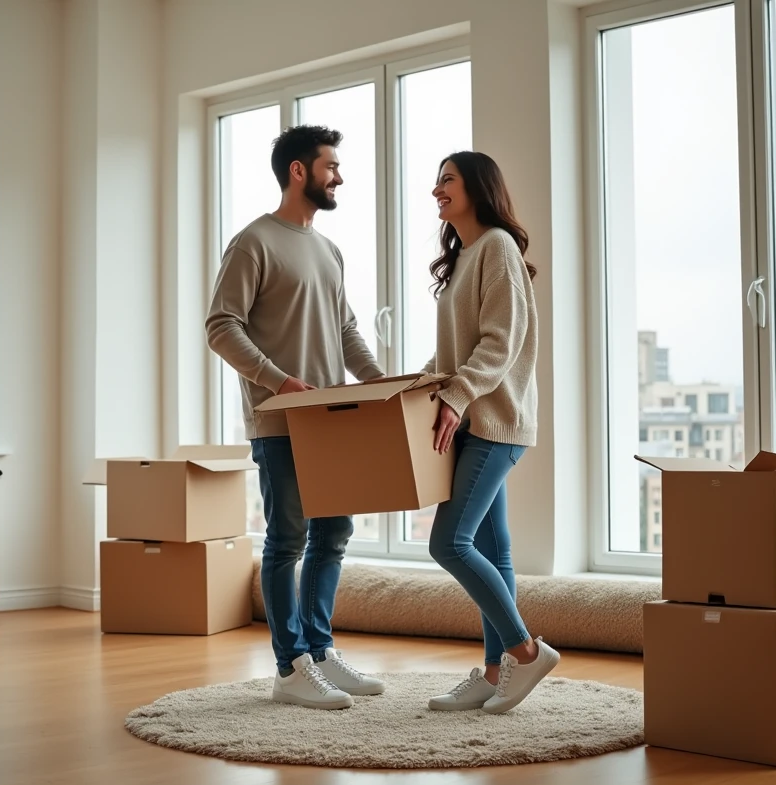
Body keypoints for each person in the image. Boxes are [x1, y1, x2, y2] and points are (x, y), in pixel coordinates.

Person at [205, 124, 387, 710]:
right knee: (288, 539)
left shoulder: (329, 250)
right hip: (281, 421)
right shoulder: (253, 242)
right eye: (331, 165)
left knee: (333, 534)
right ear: (299, 172)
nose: (340, 176)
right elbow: (220, 326)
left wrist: (378, 382)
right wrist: (278, 381)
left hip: (333, 422)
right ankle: (290, 667)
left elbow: (347, 330)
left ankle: (320, 651)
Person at [420, 151, 560, 715]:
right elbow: (456, 349)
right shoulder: (466, 256)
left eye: (447, 179)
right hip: (476, 421)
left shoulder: (498, 246)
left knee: (447, 542)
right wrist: (418, 386)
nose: (436, 190)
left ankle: (526, 652)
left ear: (478, 187)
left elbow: (499, 343)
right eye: (436, 181)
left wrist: (455, 396)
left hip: (495, 422)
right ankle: (496, 669)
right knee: (488, 546)